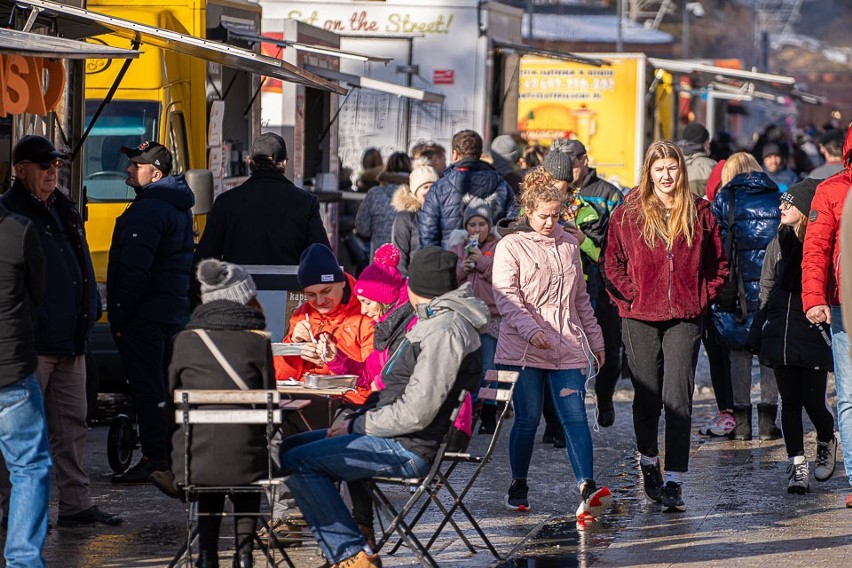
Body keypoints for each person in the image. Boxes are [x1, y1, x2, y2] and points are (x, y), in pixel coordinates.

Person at [281, 246, 488, 568]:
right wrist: (358, 417)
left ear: (415, 288)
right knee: (290, 446)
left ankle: (351, 555)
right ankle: (354, 543)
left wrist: (355, 425)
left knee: (300, 460)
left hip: (410, 446)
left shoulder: (443, 330)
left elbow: (417, 411)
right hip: (398, 434)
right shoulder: (432, 320)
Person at [0, 135, 122, 525]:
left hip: (70, 340)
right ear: (20, 171)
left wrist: (90, 308)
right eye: (43, 165)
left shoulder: (63, 208)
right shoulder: (8, 213)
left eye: (55, 165)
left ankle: (76, 503)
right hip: (29, 345)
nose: (53, 171)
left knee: (73, 426)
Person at [600, 140, 727, 512]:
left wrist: (703, 296)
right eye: (659, 169)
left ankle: (675, 480)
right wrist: (630, 296)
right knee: (647, 397)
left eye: (672, 168)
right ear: (649, 172)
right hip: (639, 315)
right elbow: (611, 263)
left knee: (678, 398)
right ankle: (649, 461)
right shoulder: (629, 213)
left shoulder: (701, 212)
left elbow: (718, 265)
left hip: (686, 316)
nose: (667, 175)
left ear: (681, 170)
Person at [492, 167, 611, 525]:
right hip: (524, 347)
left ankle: (587, 487)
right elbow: (506, 297)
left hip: (566, 342)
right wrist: (530, 330)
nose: (549, 222)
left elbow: (580, 300)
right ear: (528, 213)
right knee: (527, 418)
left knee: (574, 417)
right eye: (543, 216)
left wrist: (596, 339)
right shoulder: (511, 245)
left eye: (555, 216)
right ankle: (518, 484)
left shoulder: (570, 245)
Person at [168, 259, 274, 568]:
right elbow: (271, 405)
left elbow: (171, 400)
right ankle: (244, 556)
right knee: (243, 460)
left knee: (209, 460)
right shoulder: (257, 342)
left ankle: (206, 556)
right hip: (248, 462)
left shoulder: (184, 341)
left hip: (193, 463)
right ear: (244, 297)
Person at [108, 141, 195, 484]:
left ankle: (155, 458)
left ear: (155, 173)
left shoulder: (149, 209)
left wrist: (118, 315)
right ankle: (168, 455)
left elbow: (134, 272)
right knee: (161, 385)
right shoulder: (175, 206)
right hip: (168, 311)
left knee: (148, 387)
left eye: (136, 164)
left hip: (144, 315)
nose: (129, 168)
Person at [746, 179, 837, 495]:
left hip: (811, 331)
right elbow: (767, 287)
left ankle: (827, 437)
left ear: (807, 208)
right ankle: (797, 465)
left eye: (789, 203)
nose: (782, 207)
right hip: (780, 333)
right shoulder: (778, 241)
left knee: (813, 402)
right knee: (790, 403)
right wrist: (759, 328)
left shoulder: (820, 241)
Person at [551, 138, 626, 428]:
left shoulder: (607, 194)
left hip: (603, 284)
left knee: (607, 346)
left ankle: (604, 396)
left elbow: (617, 243)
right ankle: (564, 415)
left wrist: (583, 240)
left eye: (572, 164)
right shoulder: (548, 197)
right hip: (566, 284)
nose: (568, 172)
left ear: (584, 160)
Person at [710, 152, 782, 441]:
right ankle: (767, 423)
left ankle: (741, 425)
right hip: (770, 287)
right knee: (769, 356)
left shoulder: (725, 199)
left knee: (738, 354)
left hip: (735, 290)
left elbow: (715, 246)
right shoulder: (777, 195)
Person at [802, 124, 852, 509]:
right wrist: (814, 298)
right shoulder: (832, 189)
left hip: (840, 302)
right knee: (850, 397)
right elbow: (816, 249)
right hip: (843, 304)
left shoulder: (833, 190)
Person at [0, 195, 51, 567]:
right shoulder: (19, 231)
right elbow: (37, 293)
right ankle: (23, 560)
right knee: (29, 466)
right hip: (10, 373)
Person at [194, 132, 330, 267]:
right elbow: (323, 258)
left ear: (251, 163)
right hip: (289, 287)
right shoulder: (306, 202)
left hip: (239, 287)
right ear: (284, 164)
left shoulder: (226, 202)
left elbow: (204, 261)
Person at [273, 244, 374, 383]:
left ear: (342, 283)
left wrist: (329, 363)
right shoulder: (302, 314)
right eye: (310, 294)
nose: (319, 301)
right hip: (310, 395)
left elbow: (374, 376)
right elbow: (280, 376)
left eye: (326, 291)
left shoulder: (366, 312)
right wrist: (293, 345)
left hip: (352, 399)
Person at [449, 199, 501, 434]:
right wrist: (463, 267)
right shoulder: (457, 247)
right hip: (464, 317)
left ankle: (489, 411)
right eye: (472, 225)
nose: (477, 229)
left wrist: (482, 262)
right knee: (468, 366)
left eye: (482, 224)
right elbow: (448, 278)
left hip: (491, 317)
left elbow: (503, 277)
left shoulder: (499, 247)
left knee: (489, 366)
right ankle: (467, 411)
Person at [419, 129, 514, 248]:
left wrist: (437, 263)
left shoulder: (439, 188)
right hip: (491, 261)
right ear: (480, 154)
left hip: (449, 260)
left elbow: (428, 234)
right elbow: (511, 229)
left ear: (455, 155)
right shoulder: (502, 185)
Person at [355, 152, 412, 261]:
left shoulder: (374, 193)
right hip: (407, 259)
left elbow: (362, 227)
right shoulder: (415, 193)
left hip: (380, 259)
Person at [391, 164, 439, 276]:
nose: (430, 191)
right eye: (425, 187)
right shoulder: (405, 218)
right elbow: (400, 255)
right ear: (415, 192)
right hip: (413, 281)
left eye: (433, 187)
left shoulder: (443, 213)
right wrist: (403, 284)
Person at [675, 122, 718, 198]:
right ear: (705, 144)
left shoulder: (674, 164)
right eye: (708, 141)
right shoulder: (711, 166)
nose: (709, 145)